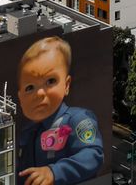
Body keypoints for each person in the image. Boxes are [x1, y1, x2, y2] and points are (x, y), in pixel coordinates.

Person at [16, 36, 104, 185]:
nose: (40, 93)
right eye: (30, 88)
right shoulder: (27, 132)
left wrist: (55, 172)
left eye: (50, 81)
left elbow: (93, 154)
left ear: (66, 85)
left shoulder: (77, 119)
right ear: (20, 98)